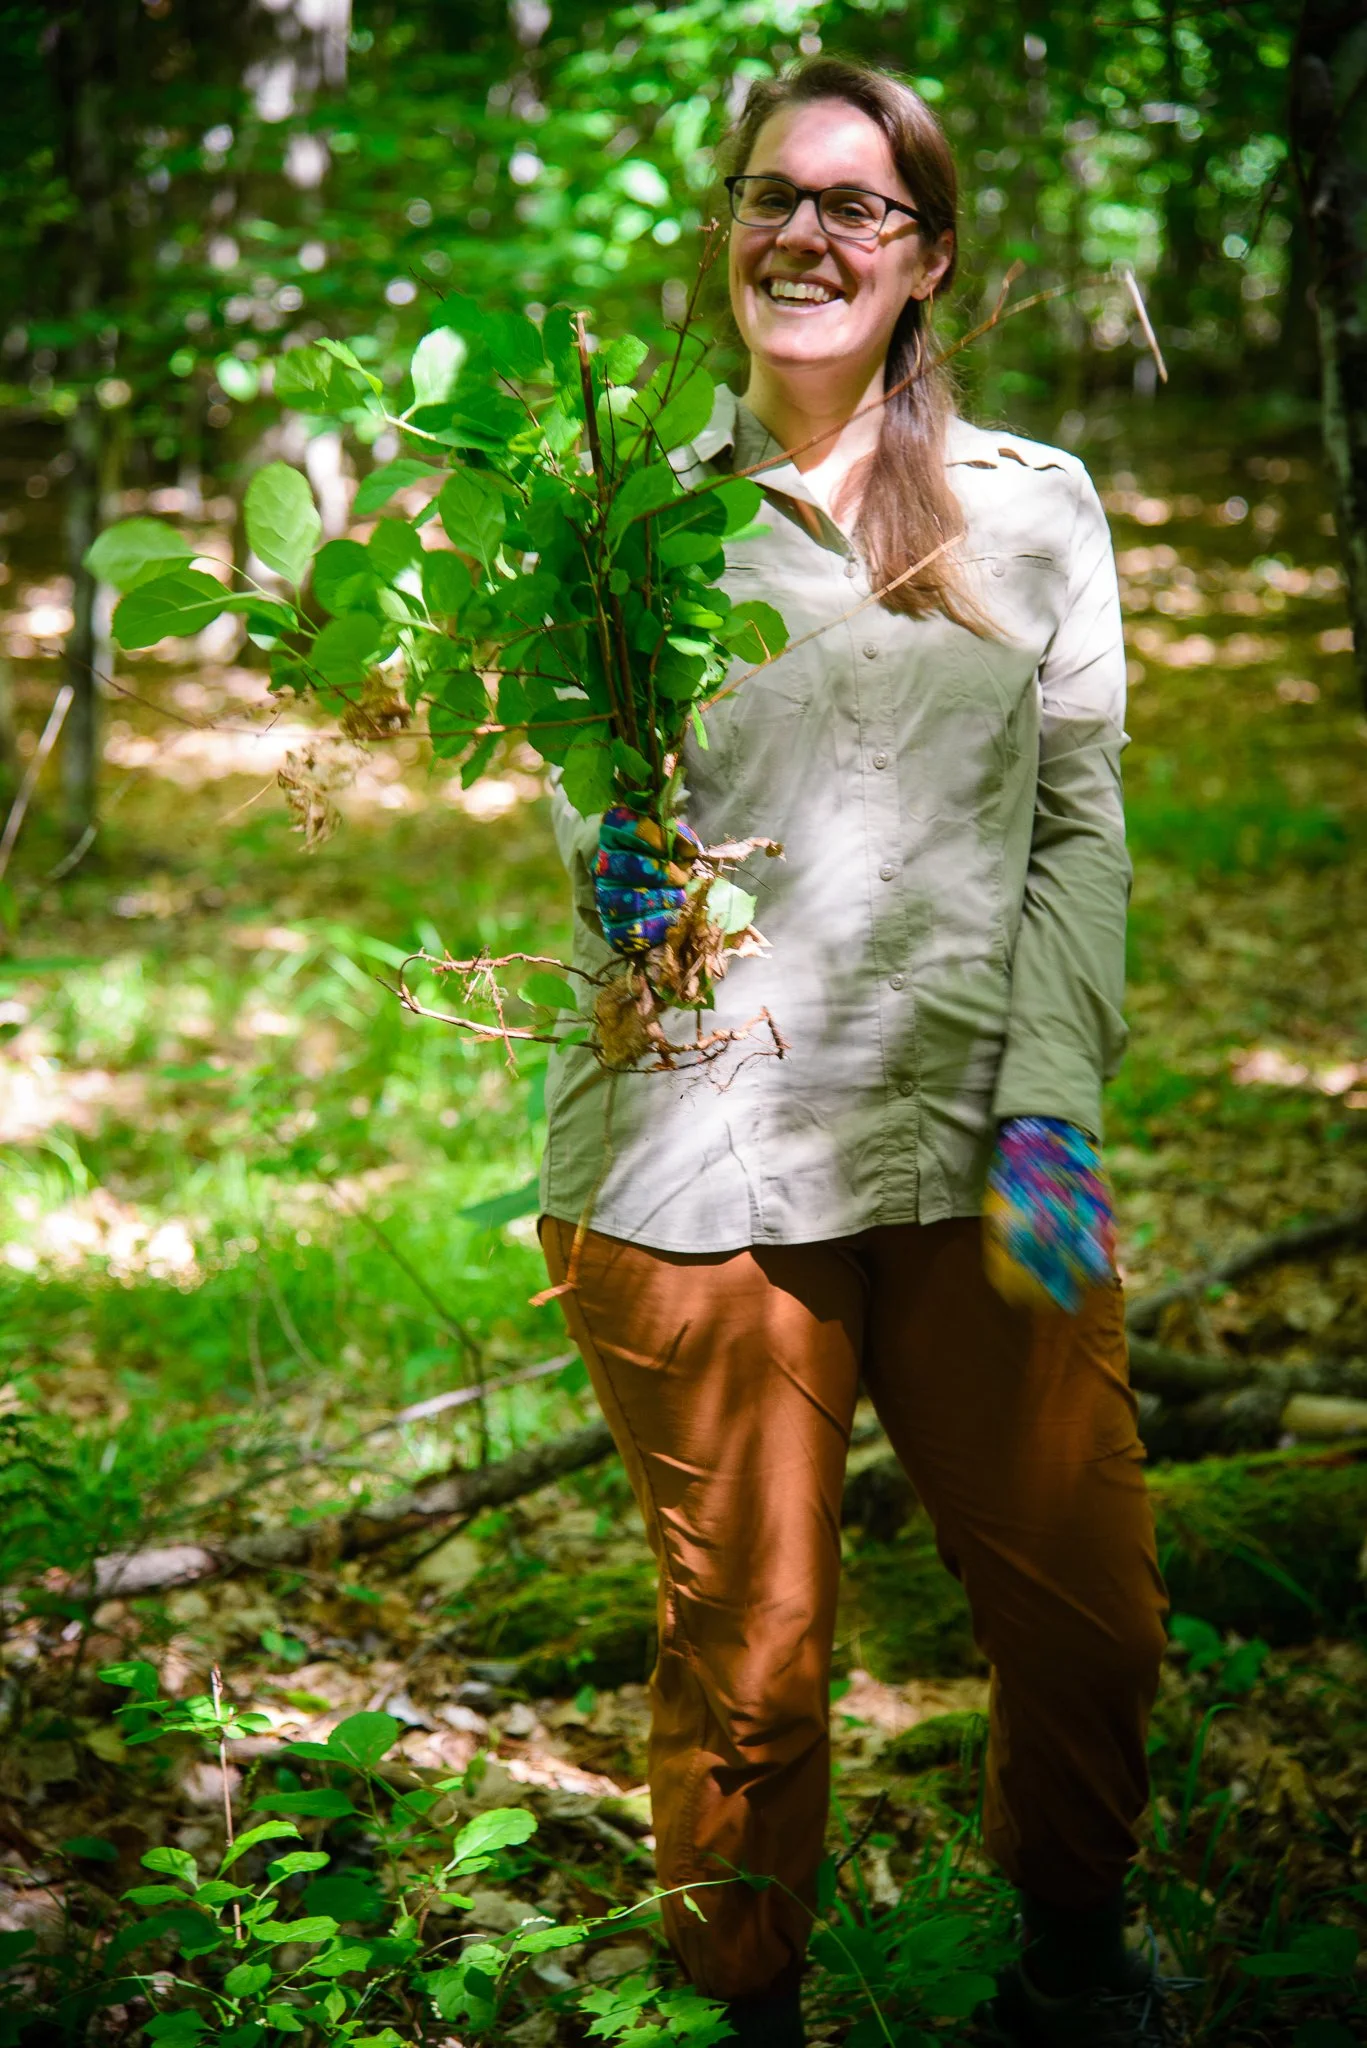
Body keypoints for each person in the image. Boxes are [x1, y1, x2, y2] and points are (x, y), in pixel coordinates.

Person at [538, 54, 1173, 2048]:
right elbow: (593, 826)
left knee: (1088, 1605)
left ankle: (1069, 1970)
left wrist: (1053, 1120)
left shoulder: (1031, 511)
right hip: (689, 1158)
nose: (800, 233)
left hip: (1002, 1133)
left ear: (925, 261)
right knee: (757, 1650)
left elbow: (1076, 826)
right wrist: (630, 884)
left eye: (853, 206)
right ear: (726, 233)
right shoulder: (619, 511)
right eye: (769, 197)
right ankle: (743, 2007)